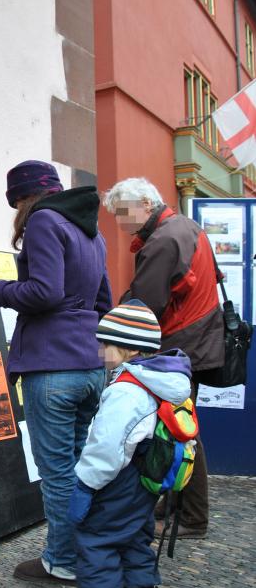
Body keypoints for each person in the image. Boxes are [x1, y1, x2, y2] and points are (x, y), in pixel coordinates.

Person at [0, 159, 112, 583]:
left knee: (58, 473)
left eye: (17, 201)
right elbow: (103, 300)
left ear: (25, 197)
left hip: (52, 368)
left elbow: (43, 292)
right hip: (89, 365)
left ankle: (62, 560)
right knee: (86, 466)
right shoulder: (91, 230)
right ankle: (90, 553)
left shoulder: (45, 221)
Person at [102, 178, 223, 540]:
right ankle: (176, 503)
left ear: (144, 203)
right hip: (196, 341)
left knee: (180, 428)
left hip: (182, 344)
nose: (122, 224)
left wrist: (111, 333)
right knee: (179, 426)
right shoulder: (187, 227)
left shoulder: (165, 238)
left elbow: (145, 303)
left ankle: (191, 516)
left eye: (123, 214)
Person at [63, 300, 192, 588]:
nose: (100, 349)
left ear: (129, 349)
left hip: (121, 479)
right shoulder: (163, 382)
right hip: (148, 480)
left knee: (95, 534)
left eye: (106, 344)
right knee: (135, 534)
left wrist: (86, 485)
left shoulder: (126, 391)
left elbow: (107, 447)